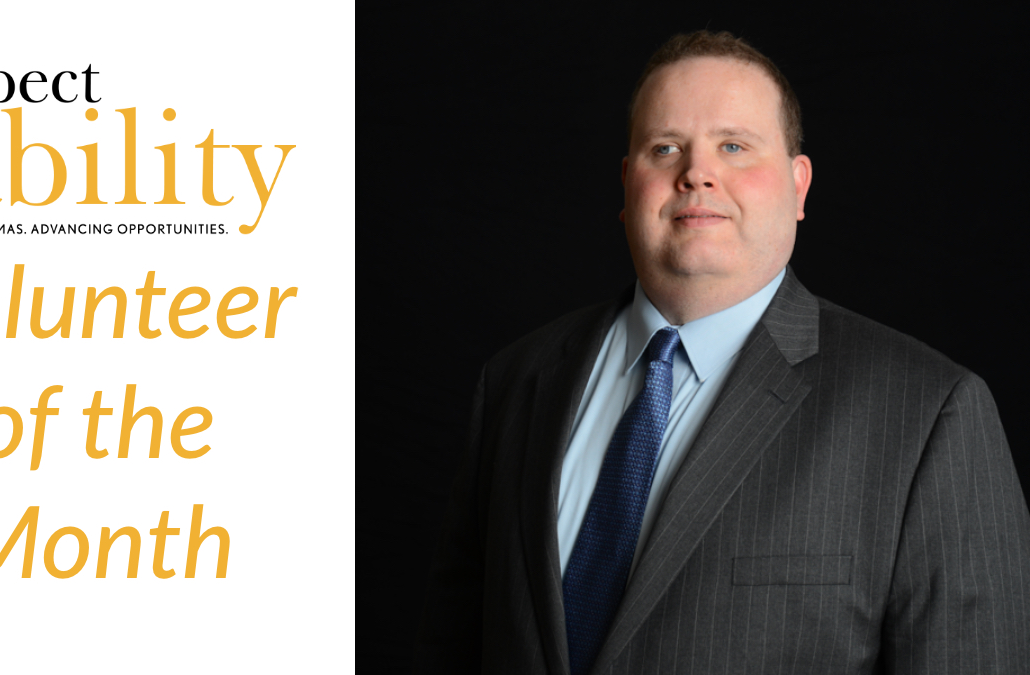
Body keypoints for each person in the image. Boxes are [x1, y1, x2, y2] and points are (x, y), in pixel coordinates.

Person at [415, 30, 1030, 674]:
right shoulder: (516, 382)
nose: (697, 172)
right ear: (628, 187)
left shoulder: (928, 414)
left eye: (733, 146)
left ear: (799, 187)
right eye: (665, 148)